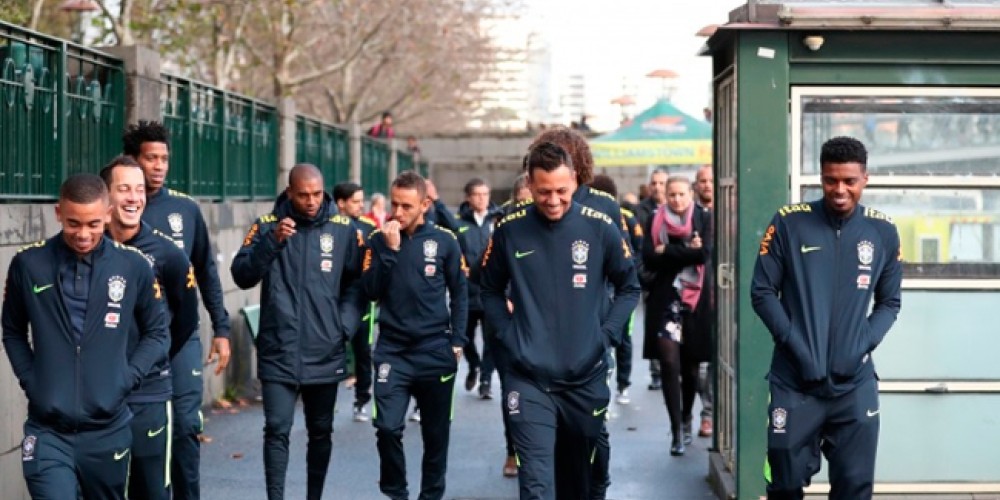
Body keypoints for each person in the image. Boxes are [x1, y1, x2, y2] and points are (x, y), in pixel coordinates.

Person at [480, 142, 639, 500]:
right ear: (530, 186)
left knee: (578, 484)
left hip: (584, 378)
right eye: (544, 192)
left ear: (576, 183)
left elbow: (629, 287)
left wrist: (606, 337)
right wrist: (508, 336)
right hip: (528, 378)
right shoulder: (510, 229)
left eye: (562, 191)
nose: (553, 200)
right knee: (536, 486)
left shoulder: (600, 228)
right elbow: (488, 290)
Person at [751, 136, 902, 499]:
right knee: (784, 487)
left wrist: (860, 345)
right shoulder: (789, 223)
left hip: (854, 386)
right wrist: (797, 348)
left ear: (865, 178)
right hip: (794, 383)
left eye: (849, 181)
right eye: (831, 180)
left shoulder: (882, 231)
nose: (839, 190)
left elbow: (889, 303)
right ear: (820, 177)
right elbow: (762, 292)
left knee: (854, 489)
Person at [2, 173, 169, 499]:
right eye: (73, 223)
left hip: (109, 431)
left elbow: (157, 332)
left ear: (108, 214)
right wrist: (32, 381)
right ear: (58, 213)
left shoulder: (133, 266)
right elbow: (12, 331)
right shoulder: (28, 263)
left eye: (93, 224)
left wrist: (127, 377)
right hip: (48, 431)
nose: (83, 234)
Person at [231, 164, 364, 500]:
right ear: (289, 193)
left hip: (325, 348)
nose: (310, 201)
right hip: (279, 348)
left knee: (321, 431)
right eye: (303, 195)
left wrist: (343, 328)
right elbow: (242, 275)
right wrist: (272, 243)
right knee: (277, 429)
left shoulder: (344, 229)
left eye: (317, 194)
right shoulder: (266, 226)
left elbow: (357, 286)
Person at [123, 120, 231, 499]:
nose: (158, 166)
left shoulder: (184, 208)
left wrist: (221, 328)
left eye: (164, 159)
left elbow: (206, 270)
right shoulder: (117, 210)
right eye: (150, 158)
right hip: (132, 342)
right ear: (133, 161)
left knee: (185, 425)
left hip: (181, 336)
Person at [361, 171, 468, 500]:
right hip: (392, 351)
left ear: (425, 204)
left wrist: (458, 341)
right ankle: (397, 492)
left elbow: (460, 292)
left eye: (406, 206)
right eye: (394, 204)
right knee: (387, 428)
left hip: (435, 349)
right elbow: (370, 291)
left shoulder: (446, 242)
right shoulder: (378, 241)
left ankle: (430, 495)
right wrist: (390, 252)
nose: (398, 212)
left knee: (436, 436)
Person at [101, 156, 200, 500]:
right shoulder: (83, 248)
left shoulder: (169, 255)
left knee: (152, 491)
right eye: (124, 189)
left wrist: (152, 361)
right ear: (105, 197)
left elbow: (186, 320)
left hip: (148, 396)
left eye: (139, 190)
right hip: (95, 397)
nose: (133, 198)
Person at [642, 176, 712, 456]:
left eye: (681, 194)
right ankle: (676, 431)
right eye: (671, 195)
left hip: (694, 301)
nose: (676, 200)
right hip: (665, 301)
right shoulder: (654, 220)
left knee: (691, 368)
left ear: (690, 194)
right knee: (669, 363)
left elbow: (704, 254)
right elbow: (649, 257)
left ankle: (686, 415)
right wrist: (686, 250)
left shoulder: (704, 218)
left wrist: (668, 250)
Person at [590, 174, 643, 405]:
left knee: (624, 336)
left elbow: (635, 251)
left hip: (617, 286)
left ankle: (623, 382)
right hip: (601, 288)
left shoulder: (625, 218)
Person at [333, 181, 379, 422]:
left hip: (360, 297)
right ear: (341, 203)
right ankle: (326, 399)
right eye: (356, 201)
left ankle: (362, 400)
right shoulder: (328, 225)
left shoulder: (369, 227)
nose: (362, 205)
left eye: (363, 201)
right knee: (332, 349)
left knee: (363, 351)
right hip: (332, 298)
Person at [456, 178, 504, 398]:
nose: (482, 198)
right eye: (477, 194)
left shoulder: (498, 221)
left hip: (490, 291)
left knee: (491, 339)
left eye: (485, 194)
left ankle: (485, 380)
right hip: (466, 291)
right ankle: (473, 364)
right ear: (468, 197)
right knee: (464, 336)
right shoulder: (459, 224)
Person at [638, 169, 669, 391]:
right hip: (653, 280)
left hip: (677, 282)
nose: (657, 186)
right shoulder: (642, 211)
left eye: (661, 183)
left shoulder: (682, 212)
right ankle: (656, 371)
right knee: (655, 326)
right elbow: (641, 248)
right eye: (654, 182)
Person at [693, 164, 716, 438]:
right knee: (699, 365)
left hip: (724, 295)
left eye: (711, 180)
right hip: (696, 298)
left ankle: (711, 414)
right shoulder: (691, 217)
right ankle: (706, 412)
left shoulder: (730, 213)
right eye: (702, 181)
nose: (707, 185)